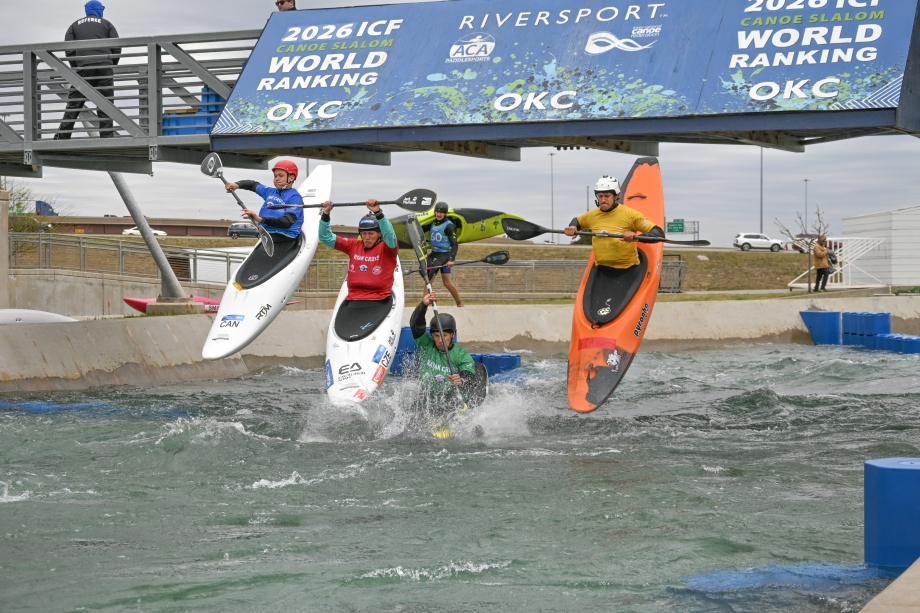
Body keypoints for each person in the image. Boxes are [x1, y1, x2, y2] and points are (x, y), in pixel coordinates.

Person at [563, 175, 665, 268]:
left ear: (616, 196)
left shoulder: (630, 215)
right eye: (600, 196)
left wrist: (635, 237)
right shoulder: (592, 215)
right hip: (602, 269)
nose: (603, 200)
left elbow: (658, 233)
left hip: (628, 270)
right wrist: (573, 227)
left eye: (607, 196)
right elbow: (577, 220)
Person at [56, 1, 121, 139]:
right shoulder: (107, 24)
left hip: (84, 68)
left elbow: (69, 49)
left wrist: (77, 66)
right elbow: (117, 48)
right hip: (104, 67)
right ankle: (107, 137)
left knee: (74, 104)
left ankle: (62, 137)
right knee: (106, 104)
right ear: (99, 10)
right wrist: (110, 64)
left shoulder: (74, 25)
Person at [410, 290, 476, 413]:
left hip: (453, 404)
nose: (440, 340)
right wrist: (423, 305)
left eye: (444, 335)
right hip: (427, 403)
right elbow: (415, 325)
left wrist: (461, 379)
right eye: (436, 336)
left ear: (453, 334)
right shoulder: (426, 345)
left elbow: (470, 378)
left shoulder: (462, 355)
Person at [319, 198, 399, 300]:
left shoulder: (388, 248)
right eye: (364, 233)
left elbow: (389, 234)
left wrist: (378, 213)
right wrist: (326, 214)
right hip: (353, 299)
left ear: (379, 234)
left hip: (380, 299)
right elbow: (325, 237)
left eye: (371, 233)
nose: (367, 237)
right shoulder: (353, 245)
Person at [224, 160, 305, 243]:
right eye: (275, 175)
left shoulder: (295, 197)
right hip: (267, 235)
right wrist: (236, 185)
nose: (277, 178)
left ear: (291, 178)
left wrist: (260, 219)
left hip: (285, 237)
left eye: (281, 176)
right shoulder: (270, 192)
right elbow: (253, 184)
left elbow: (287, 222)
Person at [425, 202, 463, 307]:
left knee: (446, 283)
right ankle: (424, 304)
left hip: (445, 256)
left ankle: (459, 303)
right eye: (437, 211)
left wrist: (451, 259)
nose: (439, 214)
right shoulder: (433, 223)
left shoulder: (449, 226)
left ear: (445, 213)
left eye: (442, 212)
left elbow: (454, 244)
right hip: (434, 255)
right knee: (428, 280)